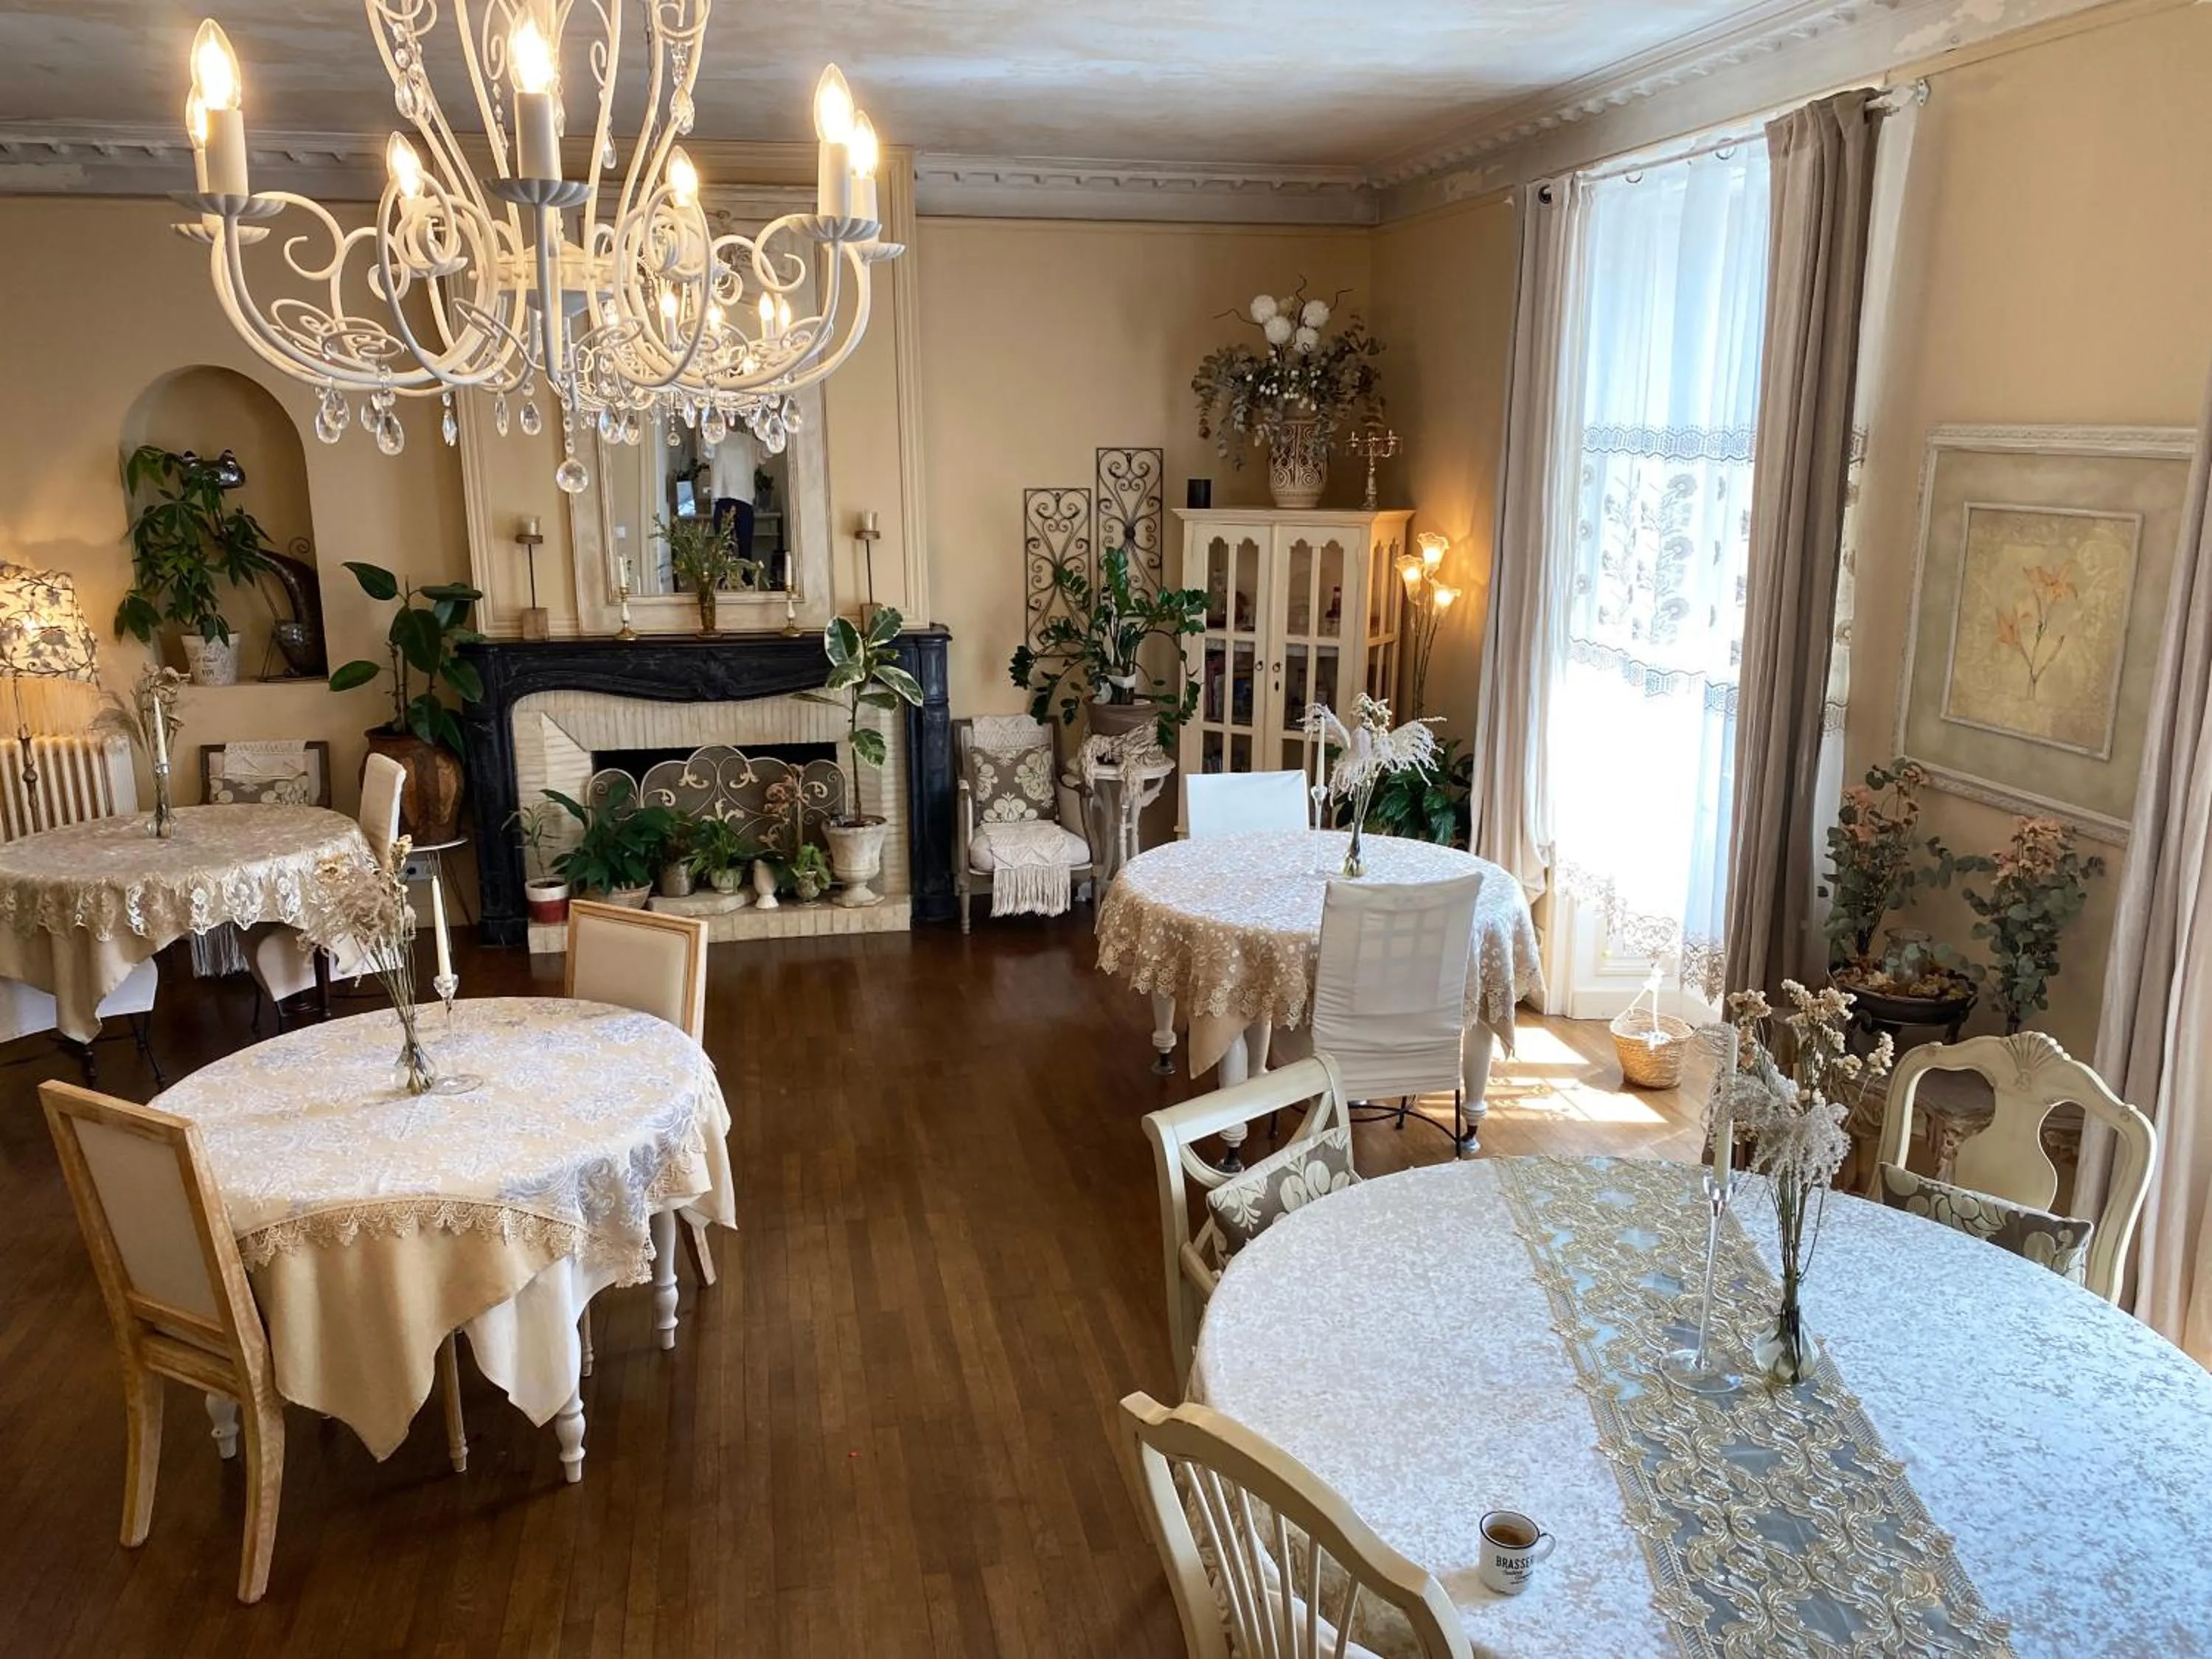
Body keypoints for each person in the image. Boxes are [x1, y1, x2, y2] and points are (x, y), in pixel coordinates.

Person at [706, 428, 760, 568]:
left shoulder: (750, 442)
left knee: (745, 553)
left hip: (744, 500)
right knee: (723, 555)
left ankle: (747, 586)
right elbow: (706, 449)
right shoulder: (715, 439)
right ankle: (724, 587)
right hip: (723, 499)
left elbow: (765, 453)